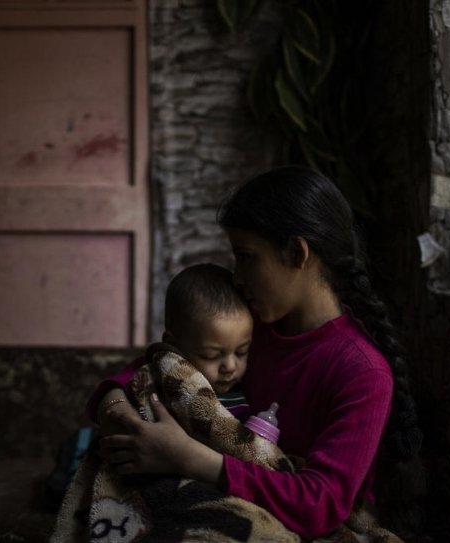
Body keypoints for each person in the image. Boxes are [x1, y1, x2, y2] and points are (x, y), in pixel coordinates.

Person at [87, 166, 424, 540]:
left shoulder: (362, 372)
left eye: (246, 257)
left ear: (297, 252)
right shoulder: (251, 329)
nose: (238, 276)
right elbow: (163, 365)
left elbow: (323, 504)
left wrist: (188, 457)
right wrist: (115, 404)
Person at [158, 262, 253, 421]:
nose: (230, 367)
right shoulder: (162, 392)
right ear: (173, 346)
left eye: (241, 352)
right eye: (211, 355)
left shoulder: (246, 389)